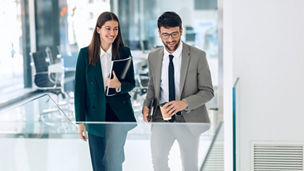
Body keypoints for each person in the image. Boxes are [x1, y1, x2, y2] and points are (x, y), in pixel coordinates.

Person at [142, 11, 214, 171]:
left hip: (188, 119)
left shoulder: (198, 56)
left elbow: (207, 91)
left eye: (174, 34)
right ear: (159, 33)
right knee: (158, 161)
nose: (170, 39)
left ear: (181, 30)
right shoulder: (153, 56)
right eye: (165, 35)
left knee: (189, 165)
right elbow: (153, 86)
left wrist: (184, 103)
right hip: (161, 117)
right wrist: (146, 105)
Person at [74, 12, 136, 171]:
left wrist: (118, 85)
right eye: (108, 28)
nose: (112, 33)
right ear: (98, 30)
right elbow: (79, 91)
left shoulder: (124, 53)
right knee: (99, 162)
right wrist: (80, 122)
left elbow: (131, 84)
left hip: (118, 114)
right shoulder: (84, 54)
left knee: (114, 160)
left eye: (115, 29)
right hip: (95, 116)